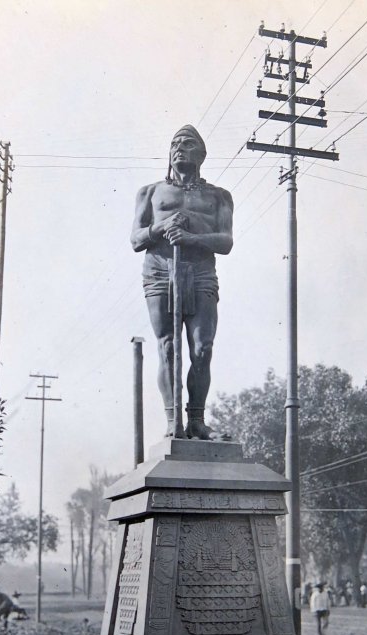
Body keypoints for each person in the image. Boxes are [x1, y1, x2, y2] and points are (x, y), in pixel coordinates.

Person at [131, 125, 234, 439]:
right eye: (175, 143)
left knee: (202, 348)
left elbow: (226, 241)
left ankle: (197, 420)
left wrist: (191, 236)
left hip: (200, 271)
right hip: (160, 272)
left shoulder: (219, 196)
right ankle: (172, 421)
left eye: (188, 144)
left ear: (201, 154)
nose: (179, 148)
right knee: (168, 346)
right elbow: (136, 239)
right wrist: (161, 227)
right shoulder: (149, 193)